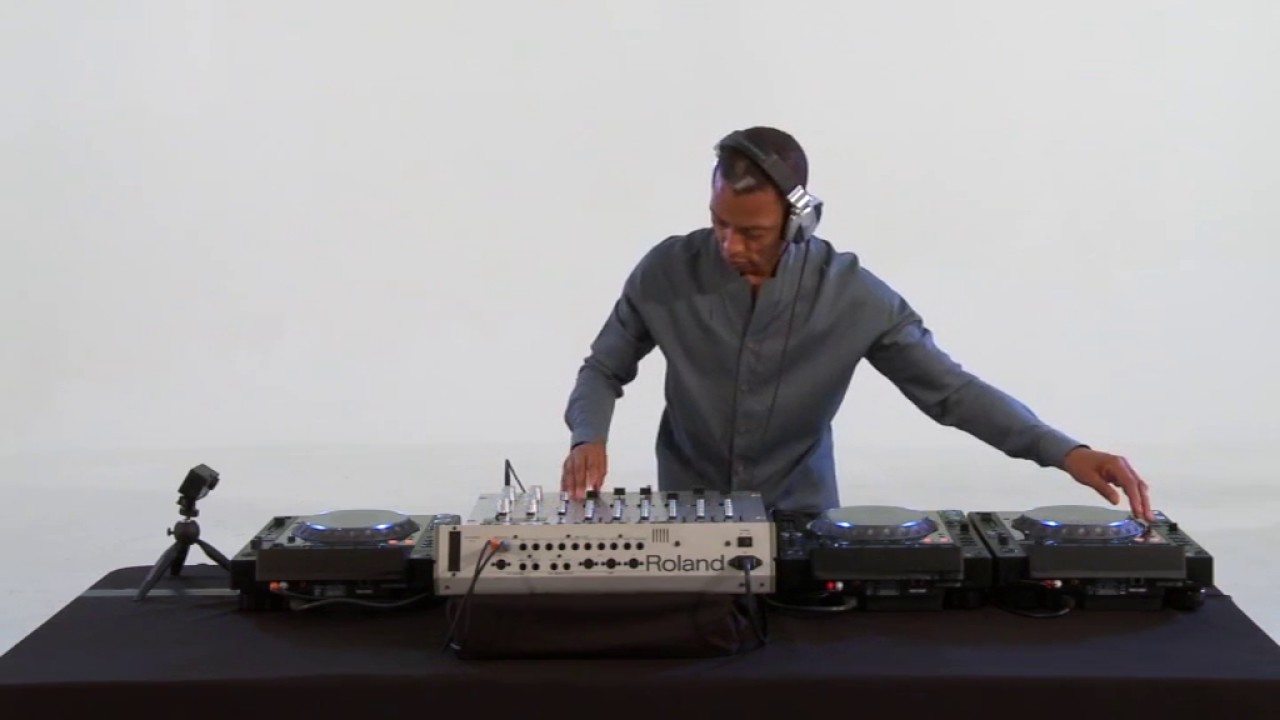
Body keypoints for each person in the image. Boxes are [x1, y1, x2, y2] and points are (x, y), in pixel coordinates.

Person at [561, 126, 1153, 522]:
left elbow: (950, 392)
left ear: (799, 221)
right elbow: (603, 368)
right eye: (719, 223)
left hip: (804, 518)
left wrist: (1064, 451)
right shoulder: (664, 271)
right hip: (689, 519)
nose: (729, 245)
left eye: (752, 232)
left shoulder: (856, 297)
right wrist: (589, 436)